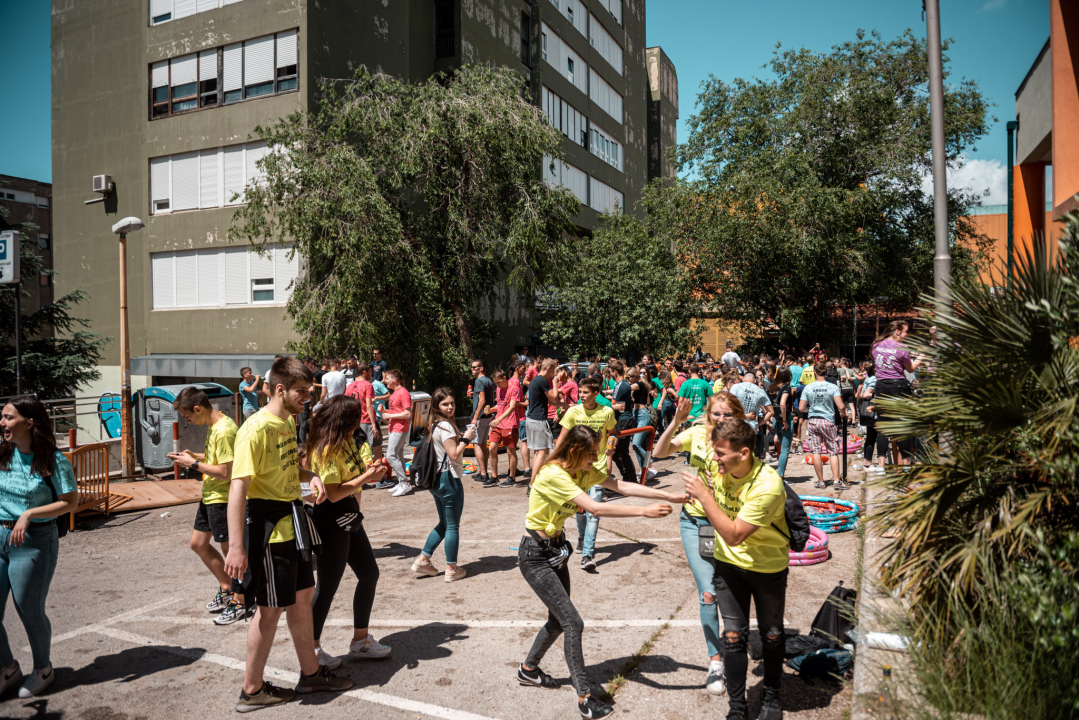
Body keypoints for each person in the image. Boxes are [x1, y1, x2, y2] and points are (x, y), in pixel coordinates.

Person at [515, 425, 677, 720]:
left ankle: (528, 669)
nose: (597, 459)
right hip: (535, 555)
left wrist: (672, 496)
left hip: (556, 550)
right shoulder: (555, 474)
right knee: (573, 623)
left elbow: (623, 486)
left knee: (558, 621)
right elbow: (595, 508)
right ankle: (585, 698)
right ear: (576, 451)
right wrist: (643, 512)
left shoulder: (582, 470)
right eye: (592, 454)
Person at [224, 356, 353, 711]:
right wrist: (236, 547)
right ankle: (251, 689)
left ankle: (310, 674)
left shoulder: (285, 420)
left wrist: (306, 475)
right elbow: (239, 487)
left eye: (308, 391)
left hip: (292, 519)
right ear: (280, 389)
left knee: (301, 596)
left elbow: (285, 468)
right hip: (269, 527)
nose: (307, 397)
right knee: (269, 609)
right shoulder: (256, 428)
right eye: (301, 391)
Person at [682, 419, 790, 720]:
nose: (713, 458)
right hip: (729, 567)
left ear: (744, 453)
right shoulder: (720, 471)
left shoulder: (767, 485)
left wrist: (704, 496)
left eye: (720, 453)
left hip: (767, 568)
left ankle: (771, 695)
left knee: (771, 633)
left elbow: (734, 534)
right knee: (733, 636)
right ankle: (737, 706)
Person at [652, 393, 748, 696]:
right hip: (695, 524)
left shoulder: (742, 443)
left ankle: (735, 646)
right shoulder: (695, 434)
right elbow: (659, 451)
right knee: (708, 593)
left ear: (737, 416)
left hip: (729, 524)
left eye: (726, 415)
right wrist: (677, 421)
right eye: (715, 414)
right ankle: (715, 661)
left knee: (732, 590)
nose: (720, 420)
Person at [0, 396, 79, 698]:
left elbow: (70, 502)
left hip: (34, 541)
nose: (2, 423)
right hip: (0, 536)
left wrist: (29, 513)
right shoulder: (2, 454)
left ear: (29, 422)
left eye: (8, 417)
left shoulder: (52, 460)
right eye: (2, 417)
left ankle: (42, 668)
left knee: (28, 609)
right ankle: (7, 667)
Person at [305, 395, 391, 668]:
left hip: (348, 516)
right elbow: (332, 494)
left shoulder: (347, 442)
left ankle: (361, 642)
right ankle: (312, 650)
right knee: (327, 587)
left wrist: (370, 469)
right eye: (359, 416)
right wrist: (367, 478)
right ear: (347, 420)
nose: (363, 419)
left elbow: (349, 479)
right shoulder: (328, 448)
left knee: (369, 574)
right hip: (331, 518)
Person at [165, 387, 249, 622]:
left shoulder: (223, 430)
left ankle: (240, 600)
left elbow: (226, 471)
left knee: (231, 552)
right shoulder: (216, 425)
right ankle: (226, 587)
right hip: (210, 495)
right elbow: (219, 458)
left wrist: (192, 464)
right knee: (198, 543)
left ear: (197, 408)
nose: (188, 421)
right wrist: (196, 456)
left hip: (222, 498)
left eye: (187, 416)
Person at [412, 388, 477, 582]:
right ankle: (451, 569)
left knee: (444, 523)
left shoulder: (434, 424)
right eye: (445, 404)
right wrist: (467, 438)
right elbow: (454, 454)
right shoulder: (446, 427)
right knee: (452, 526)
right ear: (436, 406)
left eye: (452, 403)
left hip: (436, 480)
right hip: (448, 480)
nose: (450, 407)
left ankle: (423, 560)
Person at [559, 375, 616, 571]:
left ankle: (587, 554)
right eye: (580, 392)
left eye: (585, 393)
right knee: (579, 509)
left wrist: (610, 447)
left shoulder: (607, 412)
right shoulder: (573, 412)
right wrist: (554, 461)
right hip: (576, 468)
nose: (581, 396)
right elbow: (562, 438)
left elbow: (613, 432)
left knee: (594, 512)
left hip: (597, 467)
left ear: (596, 394)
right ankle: (582, 536)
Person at [871, 320, 923, 466]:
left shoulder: (876, 344)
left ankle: (881, 466)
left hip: (881, 385)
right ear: (897, 331)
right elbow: (911, 368)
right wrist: (921, 356)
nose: (907, 335)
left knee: (882, 425)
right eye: (906, 331)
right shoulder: (902, 347)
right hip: (898, 386)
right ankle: (906, 463)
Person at [799, 361, 847, 489]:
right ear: (826, 372)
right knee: (833, 451)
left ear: (814, 373)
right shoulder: (832, 387)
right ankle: (836, 481)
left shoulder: (808, 388)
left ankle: (820, 481)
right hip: (828, 421)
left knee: (816, 451)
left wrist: (811, 410)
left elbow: (801, 407)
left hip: (814, 421)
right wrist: (843, 414)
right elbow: (841, 406)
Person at [525, 359, 562, 486]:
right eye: (553, 370)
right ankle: (532, 484)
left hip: (532, 420)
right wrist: (555, 383)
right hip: (538, 421)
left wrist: (565, 405)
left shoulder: (536, 380)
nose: (553, 373)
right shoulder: (542, 380)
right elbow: (554, 397)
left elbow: (552, 402)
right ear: (548, 368)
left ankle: (535, 481)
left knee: (538, 452)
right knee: (542, 452)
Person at [488, 369, 522, 487]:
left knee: (510, 450)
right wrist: (492, 409)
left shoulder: (514, 388)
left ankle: (511, 477)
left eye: (498, 382)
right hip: (499, 422)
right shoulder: (498, 388)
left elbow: (512, 407)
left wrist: (498, 419)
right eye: (495, 383)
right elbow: (501, 404)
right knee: (492, 447)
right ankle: (494, 476)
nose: (497, 385)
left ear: (504, 378)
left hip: (510, 423)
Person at [382, 370, 413, 497]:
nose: (385, 381)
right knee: (398, 455)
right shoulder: (394, 393)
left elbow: (408, 413)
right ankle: (402, 482)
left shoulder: (403, 393)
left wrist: (389, 414)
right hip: (393, 427)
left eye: (387, 378)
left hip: (399, 428)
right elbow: (396, 411)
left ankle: (405, 483)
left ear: (394, 380)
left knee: (390, 455)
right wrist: (385, 411)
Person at [729, 372, 774, 460]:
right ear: (754, 380)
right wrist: (759, 423)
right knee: (753, 456)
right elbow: (771, 412)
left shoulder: (736, 387)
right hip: (752, 429)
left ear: (743, 379)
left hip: (736, 427)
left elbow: (729, 407)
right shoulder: (760, 390)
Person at [468, 359, 497, 486]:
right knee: (483, 444)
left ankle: (484, 473)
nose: (472, 369)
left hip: (480, 417)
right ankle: (483, 472)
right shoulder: (488, 380)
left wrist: (475, 417)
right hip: (488, 416)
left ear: (481, 368)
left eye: (475, 367)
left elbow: (482, 400)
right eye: (472, 367)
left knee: (477, 444)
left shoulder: (479, 381)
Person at [626, 367, 656, 481]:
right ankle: (644, 470)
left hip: (642, 415)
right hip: (636, 414)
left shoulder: (639, 384)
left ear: (635, 376)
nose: (627, 379)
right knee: (637, 446)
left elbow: (626, 388)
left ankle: (650, 465)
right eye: (626, 377)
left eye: (629, 377)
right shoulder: (638, 386)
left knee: (635, 444)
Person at [857, 362, 887, 475]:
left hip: (869, 409)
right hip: (873, 409)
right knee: (873, 436)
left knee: (870, 436)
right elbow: (866, 394)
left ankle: (867, 462)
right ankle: (868, 463)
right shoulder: (874, 379)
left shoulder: (869, 377)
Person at [345, 365, 380, 456]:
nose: (371, 373)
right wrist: (374, 425)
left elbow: (346, 405)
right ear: (364, 372)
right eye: (370, 371)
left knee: (356, 449)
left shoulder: (350, 386)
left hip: (354, 421)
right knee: (366, 450)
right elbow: (369, 406)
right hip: (366, 421)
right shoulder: (368, 385)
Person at [767, 368, 794, 479]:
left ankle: (779, 470)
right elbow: (783, 404)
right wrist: (784, 421)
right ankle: (781, 475)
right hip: (784, 420)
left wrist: (769, 417)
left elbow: (767, 403)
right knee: (785, 450)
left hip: (774, 419)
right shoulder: (786, 387)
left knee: (780, 445)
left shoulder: (771, 387)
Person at [511, 362, 532, 483]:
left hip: (516, 417)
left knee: (514, 444)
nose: (525, 371)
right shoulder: (515, 382)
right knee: (524, 442)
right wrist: (524, 404)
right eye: (524, 369)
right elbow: (512, 402)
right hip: (519, 417)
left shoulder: (512, 381)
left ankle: (513, 470)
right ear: (517, 368)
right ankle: (527, 468)